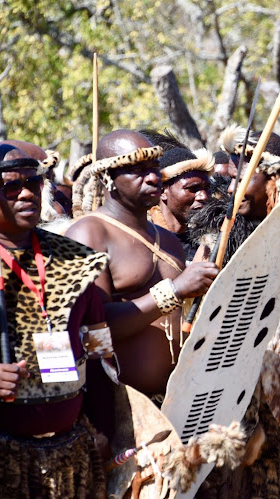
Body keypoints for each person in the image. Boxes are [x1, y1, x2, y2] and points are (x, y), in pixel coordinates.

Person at [0, 144, 112, 497]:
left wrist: (105, 430)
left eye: (33, 183)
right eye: (11, 186)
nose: (26, 192)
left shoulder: (76, 259)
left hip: (73, 454)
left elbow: (99, 352)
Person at [65, 130, 218, 399]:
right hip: (125, 408)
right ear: (106, 178)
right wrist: (174, 291)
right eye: (136, 170)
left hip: (178, 401)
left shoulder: (170, 242)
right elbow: (89, 330)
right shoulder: (89, 233)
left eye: (153, 168)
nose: (151, 177)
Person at [148, 147, 213, 262]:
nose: (203, 196)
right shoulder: (145, 239)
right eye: (192, 188)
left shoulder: (208, 242)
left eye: (207, 189)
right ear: (162, 192)